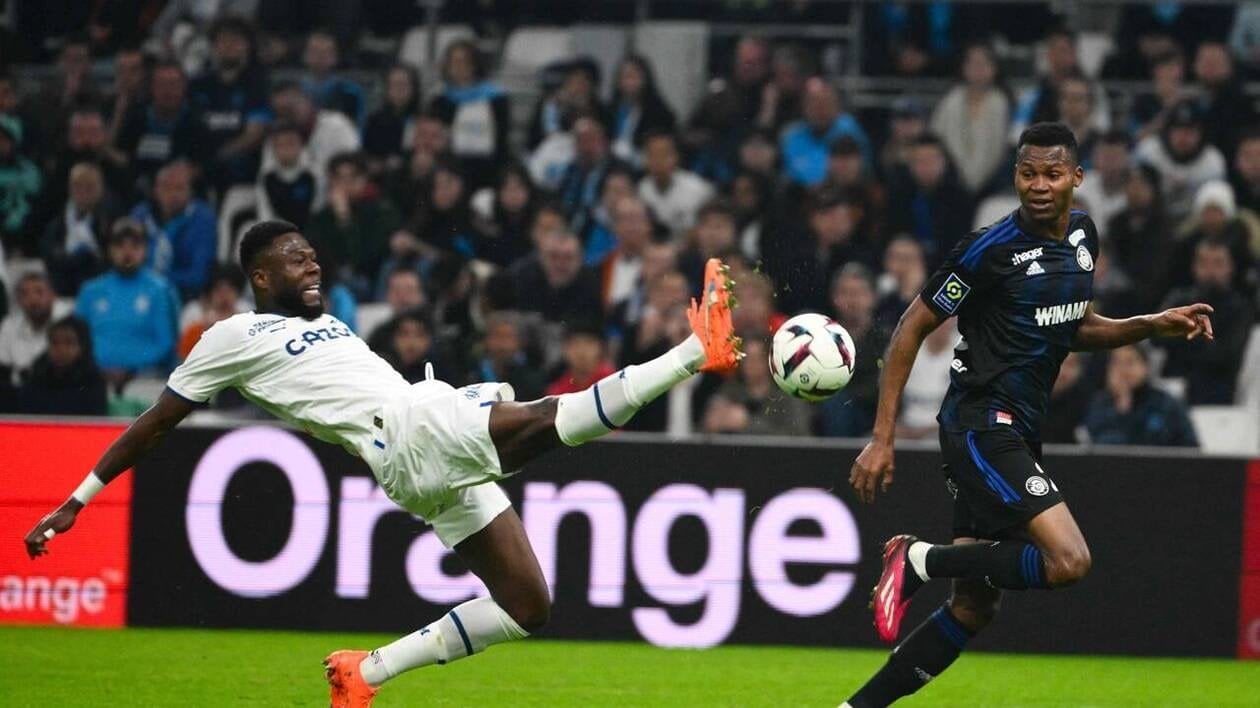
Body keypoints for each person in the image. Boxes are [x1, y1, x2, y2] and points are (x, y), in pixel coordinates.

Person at [23, 220, 743, 708]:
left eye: (313, 255)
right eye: (296, 257)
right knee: (552, 420)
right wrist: (79, 498)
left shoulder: (325, 319)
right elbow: (153, 425)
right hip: (403, 433)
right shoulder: (232, 335)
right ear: (259, 274)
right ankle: (693, 351)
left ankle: (365, 673)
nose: (313, 264)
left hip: (411, 449)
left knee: (529, 606)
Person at [842, 123, 1214, 708]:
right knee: (1069, 560)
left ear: (1077, 178)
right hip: (981, 425)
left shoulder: (1085, 238)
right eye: (1027, 173)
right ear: (1016, 176)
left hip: (1017, 428)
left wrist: (1147, 324)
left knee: (973, 607)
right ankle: (919, 558)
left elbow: (1072, 326)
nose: (1039, 186)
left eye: (1053, 173)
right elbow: (912, 326)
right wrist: (882, 436)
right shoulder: (988, 250)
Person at [75, 219, 179, 386]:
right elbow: (77, 340)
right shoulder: (90, 291)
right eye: (120, 245)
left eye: (135, 246)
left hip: (147, 378)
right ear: (109, 250)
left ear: (145, 250)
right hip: (94, 378)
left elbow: (167, 343)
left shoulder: (161, 290)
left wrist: (130, 369)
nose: (127, 252)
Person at [1158, 240, 1255, 405]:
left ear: (1230, 267)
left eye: (1218, 263)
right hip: (1173, 381)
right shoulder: (1179, 298)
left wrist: (1183, 333)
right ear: (1194, 267)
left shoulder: (1240, 308)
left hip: (1215, 385)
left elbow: (1226, 355)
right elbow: (1156, 335)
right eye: (1204, 263)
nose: (1210, 270)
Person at [188, 16, 271, 191]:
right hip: (198, 167)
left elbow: (254, 135)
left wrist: (214, 160)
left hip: (243, 174)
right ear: (213, 45)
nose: (229, 46)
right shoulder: (199, 84)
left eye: (235, 40)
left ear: (248, 45)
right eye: (223, 40)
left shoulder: (258, 83)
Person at [114, 61, 210, 194]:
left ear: (183, 87)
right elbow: (123, 156)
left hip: (181, 195)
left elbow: (202, 166)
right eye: (162, 84)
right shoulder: (136, 119)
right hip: (136, 192)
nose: (168, 90)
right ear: (151, 87)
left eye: (173, 84)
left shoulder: (197, 123)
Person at [428, 40, 510, 190]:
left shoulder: (496, 98)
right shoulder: (439, 100)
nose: (459, 67)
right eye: (453, 62)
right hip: (451, 167)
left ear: (474, 64)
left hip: (487, 166)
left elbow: (501, 141)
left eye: (464, 61)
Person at [930, 42, 1010, 196]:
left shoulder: (1001, 103)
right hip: (951, 181)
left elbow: (1002, 147)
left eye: (983, 63)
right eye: (972, 63)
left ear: (994, 68)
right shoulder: (950, 100)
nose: (977, 69)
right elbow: (937, 136)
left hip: (994, 183)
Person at [131, 161, 217, 301]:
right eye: (166, 187)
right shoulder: (140, 215)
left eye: (179, 188)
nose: (173, 194)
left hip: (185, 295)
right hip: (140, 292)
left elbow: (198, 275)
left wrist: (155, 281)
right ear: (155, 190)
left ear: (190, 191)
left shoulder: (203, 219)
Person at [1083, 344, 1198, 447]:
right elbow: (1101, 446)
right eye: (1116, 363)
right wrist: (1122, 410)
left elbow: (1189, 447)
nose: (1123, 370)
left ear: (1145, 366)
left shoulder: (1165, 404)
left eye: (1130, 362)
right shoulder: (1100, 404)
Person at [1134, 99, 1226, 223]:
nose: (1183, 137)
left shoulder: (1212, 161)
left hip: (1197, 225)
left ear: (1201, 133)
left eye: (1190, 131)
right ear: (1167, 131)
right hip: (1152, 221)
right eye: (1178, 129)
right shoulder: (1149, 152)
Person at [780, 77, 872, 186]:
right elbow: (786, 174)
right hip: (799, 196)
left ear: (837, 105)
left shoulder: (850, 132)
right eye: (814, 103)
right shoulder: (791, 134)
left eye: (825, 102)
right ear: (804, 107)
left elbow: (863, 173)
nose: (820, 109)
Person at [41, 162, 115, 296]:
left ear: (101, 188)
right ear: (69, 188)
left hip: (103, 292)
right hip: (64, 292)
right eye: (77, 185)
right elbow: (49, 257)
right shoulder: (58, 224)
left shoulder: (112, 221)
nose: (83, 191)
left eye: (89, 186)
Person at [14, 315, 107, 416]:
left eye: (69, 342)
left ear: (83, 347)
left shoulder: (93, 382)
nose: (61, 350)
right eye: (55, 343)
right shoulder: (36, 378)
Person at [638, 131, 715, 240]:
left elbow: (705, 226)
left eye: (664, 154)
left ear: (676, 157)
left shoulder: (698, 189)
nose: (658, 161)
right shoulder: (642, 189)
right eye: (653, 155)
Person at [0, 271, 72, 386]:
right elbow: (4, 368)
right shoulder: (9, 325)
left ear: (53, 295)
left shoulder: (70, 320)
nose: (33, 300)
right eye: (25, 294)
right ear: (18, 301)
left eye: (39, 292)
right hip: (21, 394)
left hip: (63, 389)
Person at [608, 54, 677, 165]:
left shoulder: (659, 113)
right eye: (624, 77)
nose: (629, 82)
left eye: (633, 77)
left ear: (645, 79)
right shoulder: (611, 109)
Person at [256, 121, 317, 229]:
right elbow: (264, 214)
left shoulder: (314, 175)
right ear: (273, 149)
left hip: (310, 232)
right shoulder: (267, 177)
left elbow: (318, 212)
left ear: (301, 146)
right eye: (279, 145)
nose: (285, 150)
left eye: (290, 144)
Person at [363, 65, 421, 176]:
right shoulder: (374, 120)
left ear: (413, 88)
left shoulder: (423, 119)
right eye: (394, 84)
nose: (399, 89)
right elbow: (367, 154)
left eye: (403, 84)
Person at [301, 29, 366, 127]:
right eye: (315, 51)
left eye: (326, 52)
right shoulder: (294, 89)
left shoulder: (351, 91)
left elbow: (358, 125)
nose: (320, 56)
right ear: (305, 55)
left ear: (335, 57)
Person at [1075, 131, 1130, 237]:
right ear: (1094, 158)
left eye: (1116, 156)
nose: (1110, 162)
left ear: (1127, 158)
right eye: (1105, 156)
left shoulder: (1135, 191)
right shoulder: (1080, 186)